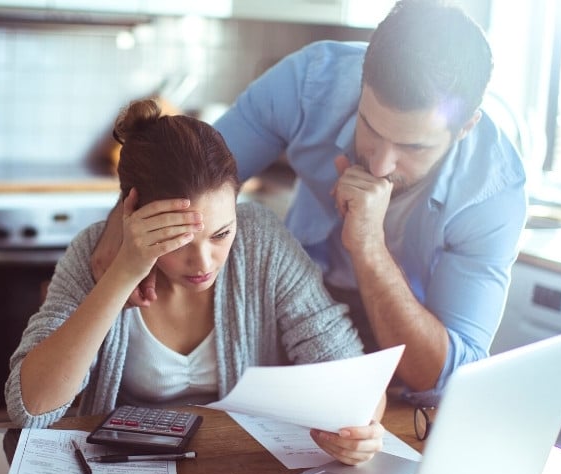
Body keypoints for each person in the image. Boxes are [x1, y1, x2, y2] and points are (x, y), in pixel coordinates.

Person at [92, 0, 527, 402]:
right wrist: (122, 222)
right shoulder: (312, 81)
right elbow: (193, 174)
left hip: (409, 339)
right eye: (371, 127)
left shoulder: (493, 195)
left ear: (466, 127)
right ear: (361, 81)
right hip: (299, 304)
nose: (379, 165)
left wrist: (369, 248)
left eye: (412, 147)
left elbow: (445, 379)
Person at [6, 99, 384, 465]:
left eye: (221, 234)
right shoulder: (93, 253)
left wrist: (361, 430)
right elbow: (30, 409)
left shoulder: (261, 240)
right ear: (132, 216)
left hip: (238, 469)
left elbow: (351, 373)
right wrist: (122, 274)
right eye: (179, 241)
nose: (203, 263)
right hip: (125, 471)